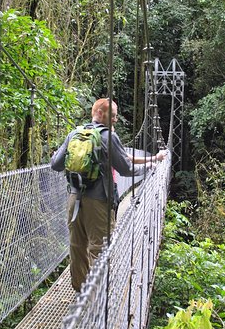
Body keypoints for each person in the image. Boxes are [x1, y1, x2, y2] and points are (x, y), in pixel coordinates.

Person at [51, 98, 167, 291]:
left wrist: (55, 154)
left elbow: (56, 164)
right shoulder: (108, 137)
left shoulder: (75, 133)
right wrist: (149, 167)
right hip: (99, 201)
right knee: (100, 248)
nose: (116, 120)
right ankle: (97, 297)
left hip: (74, 198)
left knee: (77, 245)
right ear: (99, 113)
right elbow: (126, 169)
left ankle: (81, 289)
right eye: (112, 116)